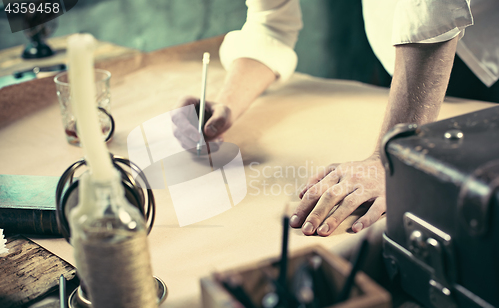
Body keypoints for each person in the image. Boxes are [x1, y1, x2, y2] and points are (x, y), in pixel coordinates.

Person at [173, 0, 499, 236]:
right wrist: (227, 104)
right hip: (409, 61)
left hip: (483, 58)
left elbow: (432, 9)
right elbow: (271, 22)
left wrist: (391, 159)